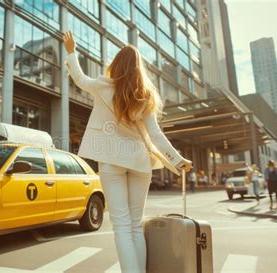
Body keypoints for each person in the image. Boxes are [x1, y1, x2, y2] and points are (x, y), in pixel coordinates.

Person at [63, 31, 193, 273]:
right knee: (134, 226)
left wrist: (71, 52)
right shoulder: (146, 95)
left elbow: (79, 80)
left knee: (122, 226)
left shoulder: (104, 85)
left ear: (116, 64)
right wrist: (178, 159)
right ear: (138, 68)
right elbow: (155, 134)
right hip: (140, 162)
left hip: (112, 160)